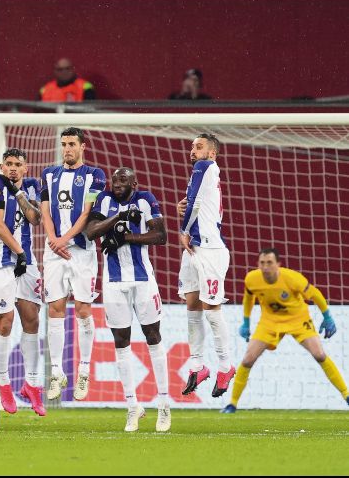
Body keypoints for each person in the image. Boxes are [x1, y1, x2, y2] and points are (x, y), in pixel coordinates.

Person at [85, 167, 170, 432]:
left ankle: (164, 405)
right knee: (120, 342)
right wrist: (119, 217)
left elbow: (161, 236)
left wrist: (125, 238)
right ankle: (132, 407)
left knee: (153, 337)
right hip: (113, 282)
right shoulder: (104, 200)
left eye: (123, 180)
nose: (117, 184)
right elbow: (91, 231)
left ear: (134, 182)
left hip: (143, 280)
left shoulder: (146, 199)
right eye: (115, 180)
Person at [222, 248, 349, 413]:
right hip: (269, 322)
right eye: (262, 263)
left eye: (269, 263)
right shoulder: (252, 279)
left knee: (319, 354)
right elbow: (249, 298)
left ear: (278, 264)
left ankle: (346, 395)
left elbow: (315, 294)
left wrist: (327, 316)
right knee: (247, 360)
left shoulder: (292, 278)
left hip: (298, 319)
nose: (265, 267)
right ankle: (232, 403)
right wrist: (246, 322)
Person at [40, 127, 106, 401]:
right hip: (54, 249)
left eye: (72, 144)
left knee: (82, 309)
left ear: (82, 147)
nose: (67, 149)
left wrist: (64, 239)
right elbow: (45, 209)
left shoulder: (95, 176)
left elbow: (87, 212)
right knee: (55, 308)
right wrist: (53, 239)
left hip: (81, 251)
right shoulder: (48, 174)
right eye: (64, 144)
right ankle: (56, 372)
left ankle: (84, 371)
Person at [0, 148, 45, 416]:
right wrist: (18, 251)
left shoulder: (31, 186)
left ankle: (31, 384)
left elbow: (35, 219)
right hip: (1, 262)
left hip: (26, 262)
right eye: (8, 164)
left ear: (25, 168)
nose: (12, 169)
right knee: (5, 322)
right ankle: (4, 383)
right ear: (1, 165)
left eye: (17, 164)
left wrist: (19, 192)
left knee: (32, 319)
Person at [177, 133, 234, 397]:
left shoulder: (205, 166)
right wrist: (184, 211)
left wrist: (183, 228)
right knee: (191, 305)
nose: (193, 151)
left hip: (209, 248)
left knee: (212, 310)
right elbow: (198, 203)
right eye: (192, 147)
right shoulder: (202, 174)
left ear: (212, 153)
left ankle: (225, 365)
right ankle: (198, 364)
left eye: (199, 147)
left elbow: (197, 205)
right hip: (195, 248)